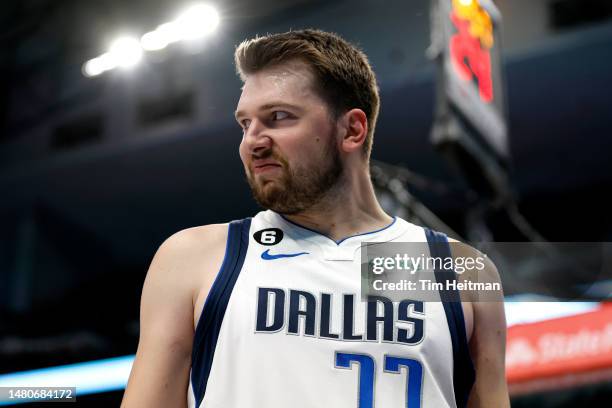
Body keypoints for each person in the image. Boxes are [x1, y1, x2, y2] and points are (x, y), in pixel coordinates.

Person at [121, 29, 509, 408]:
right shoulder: (193, 259)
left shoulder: (461, 272)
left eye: (278, 117)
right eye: (245, 123)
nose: (253, 141)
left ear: (352, 130)